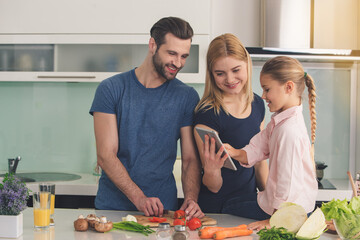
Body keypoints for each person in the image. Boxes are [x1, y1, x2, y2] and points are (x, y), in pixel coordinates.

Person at [89, 16, 204, 219]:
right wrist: (140, 199)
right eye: (172, 53)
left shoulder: (186, 96)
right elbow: (106, 155)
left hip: (162, 213)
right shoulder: (111, 89)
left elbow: (189, 159)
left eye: (184, 56)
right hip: (112, 210)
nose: (178, 63)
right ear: (153, 45)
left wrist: (191, 198)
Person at [224, 56, 318, 230]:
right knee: (232, 203)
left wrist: (273, 221)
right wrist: (234, 152)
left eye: (267, 89)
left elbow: (287, 184)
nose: (263, 96)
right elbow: (259, 145)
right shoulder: (280, 121)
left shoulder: (289, 131)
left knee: (227, 206)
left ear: (288, 87)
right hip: (274, 201)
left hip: (288, 211)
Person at [193, 33, 269, 214]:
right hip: (219, 209)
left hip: (248, 204)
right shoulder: (207, 114)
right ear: (211, 74)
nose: (230, 79)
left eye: (236, 70)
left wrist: (271, 200)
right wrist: (211, 171)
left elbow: (259, 163)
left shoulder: (257, 104)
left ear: (247, 65)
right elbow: (213, 186)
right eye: (220, 73)